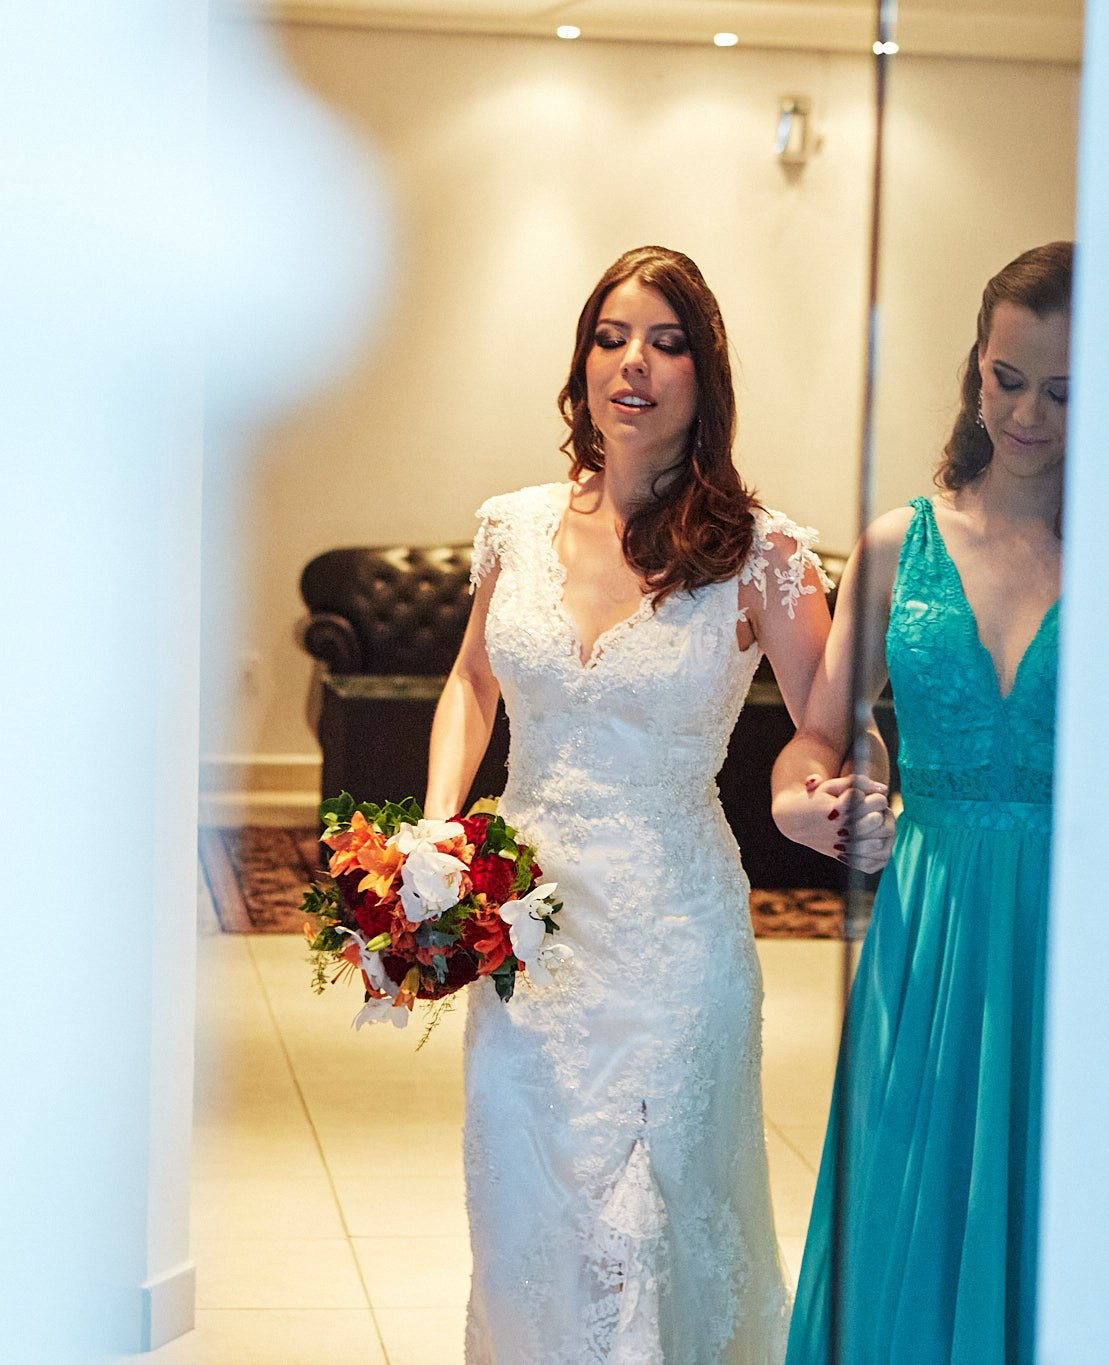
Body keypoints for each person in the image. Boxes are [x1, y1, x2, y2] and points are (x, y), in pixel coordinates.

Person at [423, 244, 835, 1363]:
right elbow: (471, 682)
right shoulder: (514, 528)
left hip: (672, 933)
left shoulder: (763, 554)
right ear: (582, 366)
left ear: (706, 375)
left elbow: (831, 724)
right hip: (527, 926)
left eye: (665, 341)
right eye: (611, 339)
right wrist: (438, 827)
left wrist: (816, 793)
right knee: (532, 1202)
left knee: (654, 1216)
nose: (633, 363)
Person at [773, 242, 1072, 1363]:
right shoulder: (900, 544)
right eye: (1007, 378)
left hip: (1076, 928)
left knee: (1050, 1197)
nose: (1026, 415)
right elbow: (817, 733)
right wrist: (804, 801)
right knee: (912, 1197)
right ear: (973, 368)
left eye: (1062, 391)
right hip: (929, 923)